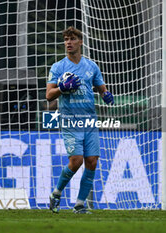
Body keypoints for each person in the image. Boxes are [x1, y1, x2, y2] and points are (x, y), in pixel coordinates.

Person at [46, 26, 114, 214]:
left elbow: (102, 89)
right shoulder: (58, 67)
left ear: (80, 42)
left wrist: (107, 95)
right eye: (66, 39)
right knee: (76, 161)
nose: (68, 42)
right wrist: (62, 87)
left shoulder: (91, 66)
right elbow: (49, 95)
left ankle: (79, 205)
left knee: (91, 161)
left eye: (72, 39)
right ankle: (56, 194)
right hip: (70, 120)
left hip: (89, 121)